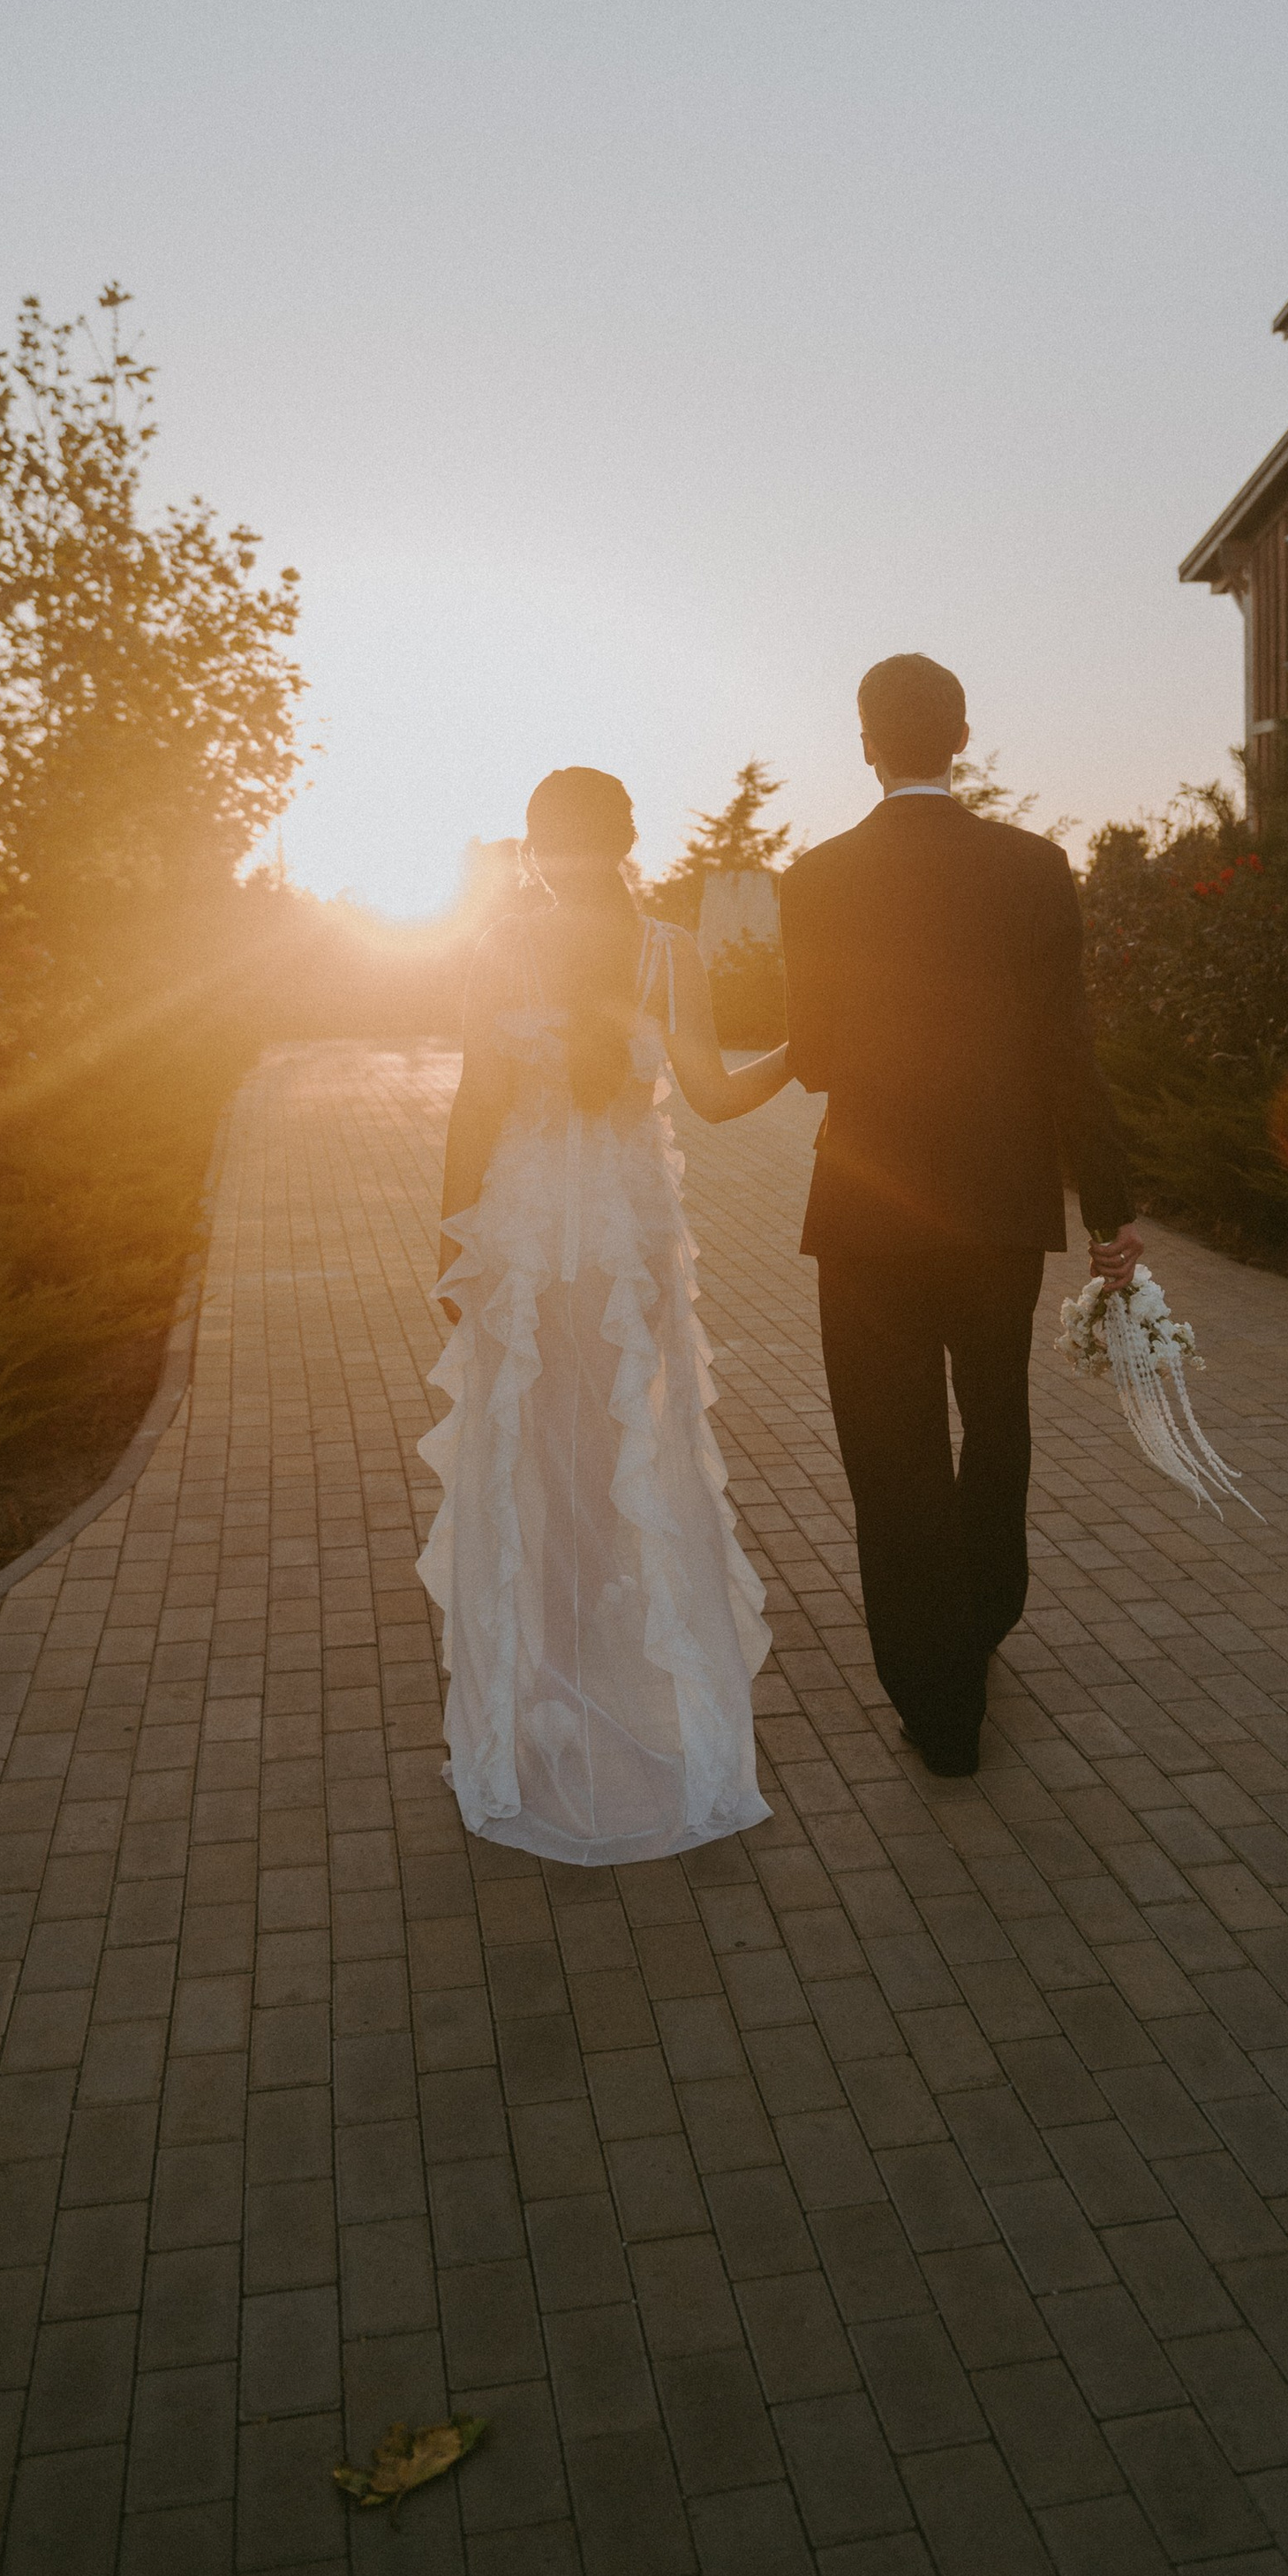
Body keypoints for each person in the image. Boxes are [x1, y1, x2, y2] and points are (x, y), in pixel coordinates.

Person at [419, 768, 789, 1864]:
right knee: (630, 1461)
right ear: (630, 839)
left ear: (534, 847)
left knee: (529, 1469)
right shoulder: (667, 949)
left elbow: (477, 1102)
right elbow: (715, 1096)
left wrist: (448, 1246)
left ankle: (540, 1715)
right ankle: (616, 1703)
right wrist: (816, 1051)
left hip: (526, 1241)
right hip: (626, 1246)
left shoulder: (498, 947)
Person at [779, 654, 1139, 1778]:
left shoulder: (817, 874)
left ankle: (935, 1702)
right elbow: (1068, 1047)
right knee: (993, 1417)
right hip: (997, 1206)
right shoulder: (1033, 866)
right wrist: (1113, 1206)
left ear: (865, 743)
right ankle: (983, 1616)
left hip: (868, 1208)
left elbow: (819, 1057)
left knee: (888, 1451)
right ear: (964, 735)